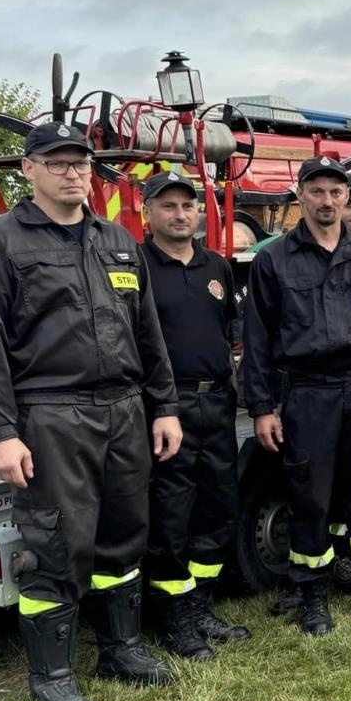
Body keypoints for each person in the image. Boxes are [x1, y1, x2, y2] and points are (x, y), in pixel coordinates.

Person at [0, 121, 183, 701]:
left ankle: (122, 650)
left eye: (79, 162)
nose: (72, 172)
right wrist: (1, 433)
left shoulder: (116, 239)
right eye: (56, 163)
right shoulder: (0, 243)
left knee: (122, 534)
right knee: (56, 543)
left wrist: (162, 406)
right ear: (28, 171)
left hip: (124, 411)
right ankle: (53, 679)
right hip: (51, 414)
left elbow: (148, 332)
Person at [242, 156, 351, 635]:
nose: (327, 200)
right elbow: (257, 339)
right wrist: (261, 406)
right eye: (316, 191)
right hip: (308, 391)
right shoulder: (273, 260)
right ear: (300, 196)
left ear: (346, 197)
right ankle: (312, 595)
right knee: (310, 498)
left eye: (335, 192)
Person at [138, 171, 247, 660]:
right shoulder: (135, 266)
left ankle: (201, 606)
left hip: (216, 403)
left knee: (218, 506)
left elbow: (227, 333)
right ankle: (174, 619)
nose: (180, 214)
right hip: (166, 407)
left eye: (188, 205)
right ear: (147, 213)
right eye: (168, 206)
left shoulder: (217, 267)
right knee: (170, 515)